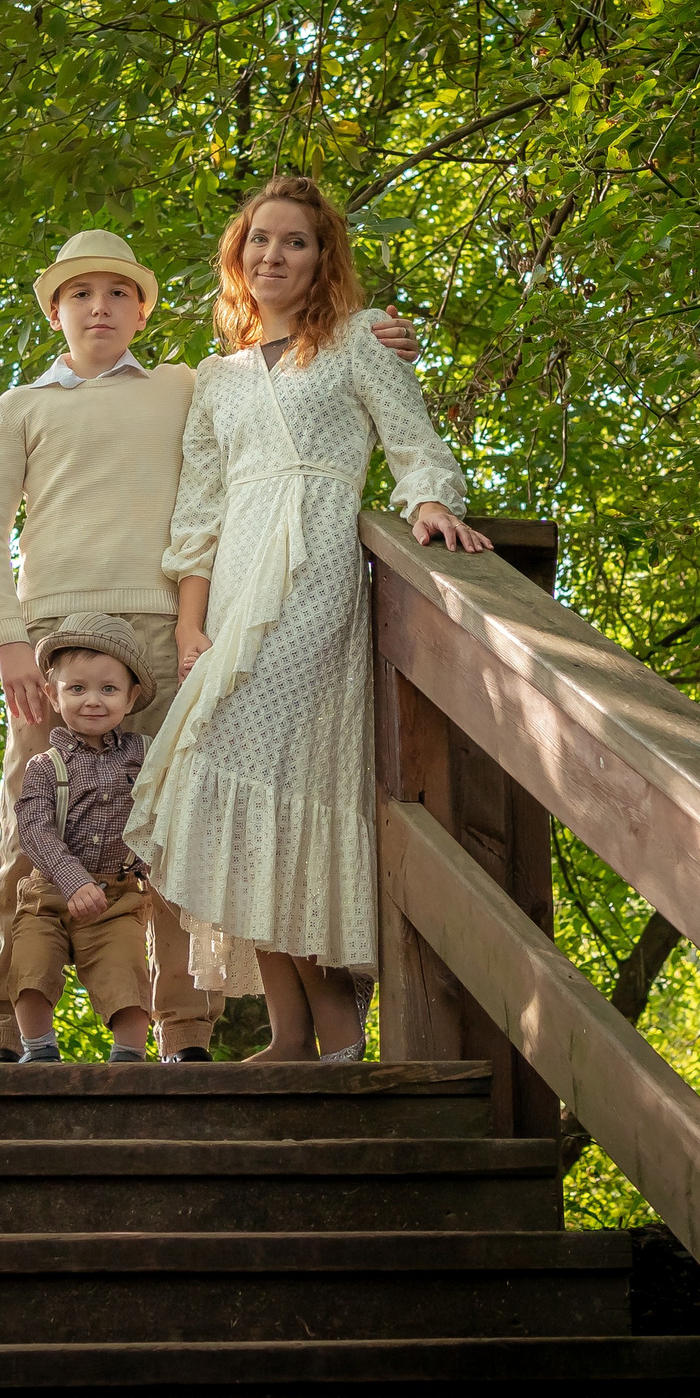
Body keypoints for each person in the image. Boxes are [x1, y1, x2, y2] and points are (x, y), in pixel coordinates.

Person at [0, 229, 420, 1062]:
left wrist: (376, 331)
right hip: (52, 637)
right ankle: (8, 1027)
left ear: (142, 310)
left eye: (118, 294)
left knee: (170, 822)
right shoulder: (22, 405)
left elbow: (277, 374)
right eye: (79, 294)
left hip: (161, 628)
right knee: (34, 825)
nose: (99, 308)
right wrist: (9, 641)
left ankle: (185, 1032)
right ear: (55, 311)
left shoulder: (183, 384)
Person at [125, 175, 492, 1062]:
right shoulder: (215, 379)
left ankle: (333, 1031)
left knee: (279, 780)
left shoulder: (359, 340)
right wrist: (188, 622)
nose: (273, 256)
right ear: (237, 259)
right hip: (235, 579)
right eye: (258, 241)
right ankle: (295, 1031)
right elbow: (200, 511)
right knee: (217, 781)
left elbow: (414, 442)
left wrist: (431, 503)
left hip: (317, 573)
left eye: (294, 241)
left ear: (323, 256)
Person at [7, 615, 162, 1063]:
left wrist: (151, 854)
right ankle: (38, 1052)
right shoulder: (44, 765)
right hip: (52, 890)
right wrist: (73, 880)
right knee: (31, 964)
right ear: (54, 696)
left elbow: (164, 807)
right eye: (77, 689)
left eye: (108, 690)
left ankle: (129, 1057)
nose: (92, 701)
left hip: (117, 895)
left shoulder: (144, 755)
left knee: (128, 974)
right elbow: (34, 829)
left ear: (131, 697)